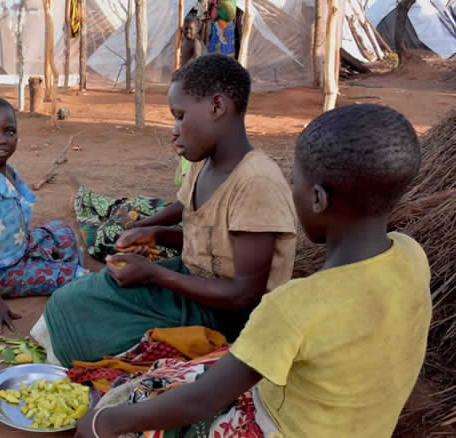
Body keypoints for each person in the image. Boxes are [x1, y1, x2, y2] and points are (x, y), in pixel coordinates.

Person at [73, 104, 431, 438]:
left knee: (154, 396)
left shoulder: (292, 307)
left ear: (318, 199)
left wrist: (103, 423)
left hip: (280, 427)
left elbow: (201, 402)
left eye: (296, 182)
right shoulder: (412, 254)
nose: (292, 192)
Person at [33, 55, 297, 367]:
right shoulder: (204, 165)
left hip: (229, 317)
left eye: (180, 116)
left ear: (216, 106)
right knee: (71, 300)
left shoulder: (256, 183)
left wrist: (154, 274)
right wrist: (153, 231)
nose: (174, 130)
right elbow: (199, 228)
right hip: (192, 282)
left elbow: (244, 296)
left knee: (91, 335)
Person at [0, 96, 86, 333]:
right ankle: (49, 269)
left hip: (15, 248)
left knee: (62, 231)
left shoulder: (4, 170)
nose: (1, 139)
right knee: (75, 276)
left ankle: (43, 262)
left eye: (9, 131)